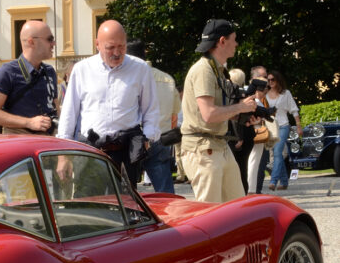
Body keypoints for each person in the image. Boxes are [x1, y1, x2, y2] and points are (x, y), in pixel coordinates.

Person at [57, 21, 160, 187]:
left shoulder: (140, 69)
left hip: (127, 152)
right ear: (97, 44)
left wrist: (147, 139)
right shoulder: (82, 70)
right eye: (110, 47)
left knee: (127, 207)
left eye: (122, 46)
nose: (117, 52)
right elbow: (69, 113)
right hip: (91, 152)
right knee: (91, 207)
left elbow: (151, 109)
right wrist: (63, 155)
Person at [179, 19, 256, 203]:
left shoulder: (217, 70)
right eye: (234, 39)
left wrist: (241, 116)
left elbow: (217, 112)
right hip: (204, 149)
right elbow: (209, 114)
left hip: (217, 145)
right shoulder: (204, 70)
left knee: (237, 209)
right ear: (222, 41)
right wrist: (241, 107)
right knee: (209, 216)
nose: (236, 44)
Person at [0, 21, 59, 135]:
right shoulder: (7, 71)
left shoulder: (49, 71)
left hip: (49, 142)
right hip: (20, 144)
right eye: (49, 39)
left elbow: (55, 106)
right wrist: (28, 122)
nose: (53, 43)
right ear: (31, 42)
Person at [125, 39, 178, 193]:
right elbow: (174, 114)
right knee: (166, 192)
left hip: (132, 140)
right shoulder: (167, 78)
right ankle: (171, 216)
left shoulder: (127, 77)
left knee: (128, 193)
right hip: (159, 138)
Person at [265, 70, 302, 191]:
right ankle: (285, 181)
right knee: (277, 154)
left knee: (277, 153)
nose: (270, 82)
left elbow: (294, 110)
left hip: (283, 126)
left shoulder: (286, 93)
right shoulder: (265, 94)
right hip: (270, 127)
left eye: (272, 80)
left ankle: (273, 181)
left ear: (278, 80)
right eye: (268, 80)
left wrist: (298, 125)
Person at [226, 68, 257, 195]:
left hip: (237, 136)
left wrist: (239, 137)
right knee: (242, 167)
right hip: (247, 134)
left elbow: (235, 119)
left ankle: (238, 195)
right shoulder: (247, 95)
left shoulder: (233, 95)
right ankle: (242, 194)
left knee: (236, 168)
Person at [247, 65, 270, 193]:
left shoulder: (262, 96)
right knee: (253, 162)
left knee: (259, 164)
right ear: (255, 78)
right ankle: (251, 190)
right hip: (254, 133)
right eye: (264, 77)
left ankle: (255, 189)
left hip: (260, 133)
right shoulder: (250, 94)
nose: (267, 80)